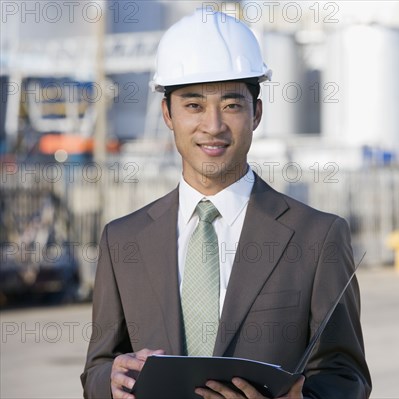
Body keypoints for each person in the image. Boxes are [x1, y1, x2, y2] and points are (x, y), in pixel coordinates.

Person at [80, 9, 371, 399]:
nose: (213, 125)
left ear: (257, 113)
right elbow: (98, 367)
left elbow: (346, 377)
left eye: (232, 105)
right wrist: (108, 381)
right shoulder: (122, 240)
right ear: (168, 113)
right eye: (194, 106)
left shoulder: (317, 237)